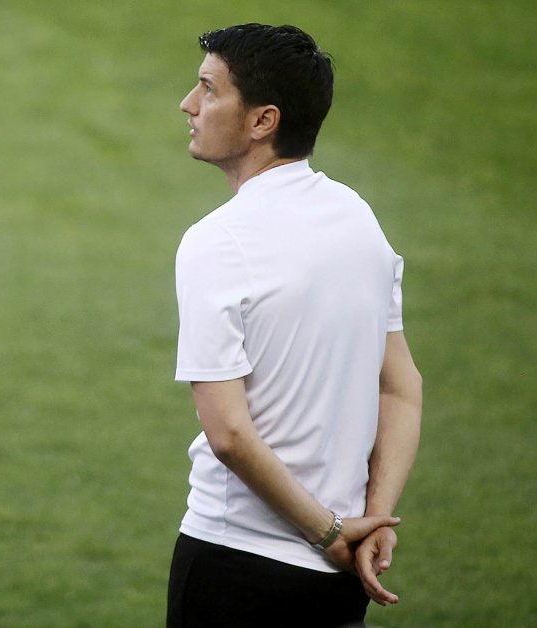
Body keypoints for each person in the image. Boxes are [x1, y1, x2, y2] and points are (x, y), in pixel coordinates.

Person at [166, 24, 423, 627]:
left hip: (233, 562)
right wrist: (372, 521)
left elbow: (229, 434)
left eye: (209, 89)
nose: (188, 104)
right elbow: (401, 386)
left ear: (263, 121)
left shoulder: (216, 241)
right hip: (341, 578)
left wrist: (328, 532)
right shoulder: (359, 221)